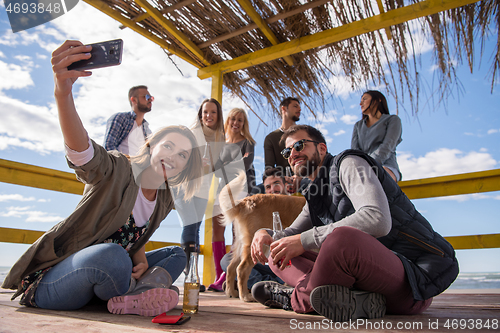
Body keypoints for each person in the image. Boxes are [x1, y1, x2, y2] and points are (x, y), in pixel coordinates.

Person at [1, 41, 202, 317]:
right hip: (59, 279)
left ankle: (133, 295)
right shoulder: (119, 167)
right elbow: (84, 153)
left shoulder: (165, 198)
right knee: (113, 255)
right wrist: (63, 92)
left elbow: (136, 235)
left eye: (182, 156)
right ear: (150, 144)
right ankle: (138, 291)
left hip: (111, 274)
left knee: (176, 254)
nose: (172, 157)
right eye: (168, 146)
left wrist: (140, 254)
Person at [250, 125, 459, 322]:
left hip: (411, 283)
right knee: (275, 249)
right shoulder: (315, 191)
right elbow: (291, 234)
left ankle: (294, 298)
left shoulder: (349, 163)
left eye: (299, 145)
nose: (292, 154)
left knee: (341, 237)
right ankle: (354, 300)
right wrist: (263, 232)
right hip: (364, 285)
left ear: (322, 148)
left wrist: (305, 240)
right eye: (287, 153)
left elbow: (377, 219)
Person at [176, 98, 225, 288]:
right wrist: (196, 162)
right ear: (200, 114)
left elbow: (216, 167)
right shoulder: (191, 134)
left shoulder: (220, 138)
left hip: (204, 188)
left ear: (218, 115)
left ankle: (193, 275)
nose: (209, 116)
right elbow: (180, 157)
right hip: (185, 185)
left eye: (213, 112)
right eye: (205, 112)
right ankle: (189, 274)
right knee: (189, 225)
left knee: (195, 228)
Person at [208, 108, 256, 291]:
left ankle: (232, 275)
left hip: (242, 191)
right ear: (228, 121)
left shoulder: (248, 143)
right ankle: (219, 276)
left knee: (238, 234)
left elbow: (245, 166)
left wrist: (224, 166)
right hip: (222, 192)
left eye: (240, 120)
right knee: (217, 230)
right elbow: (214, 169)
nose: (236, 123)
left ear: (244, 124)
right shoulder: (221, 144)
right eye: (233, 119)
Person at [220, 167, 288, 291]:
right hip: (261, 265)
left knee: (294, 271)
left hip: (284, 267)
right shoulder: (259, 209)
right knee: (226, 260)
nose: (272, 189)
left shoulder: (296, 206)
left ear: (285, 185)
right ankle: (269, 287)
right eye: (268, 187)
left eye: (276, 184)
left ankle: (257, 285)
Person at [351, 90, 403, 182]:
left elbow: (387, 146)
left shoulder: (393, 120)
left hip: (386, 167)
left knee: (375, 177)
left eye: (364, 99)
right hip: (362, 171)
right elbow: (355, 152)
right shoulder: (358, 125)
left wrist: (369, 166)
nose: (360, 103)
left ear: (377, 100)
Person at [104, 85, 154, 156]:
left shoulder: (147, 129)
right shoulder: (120, 118)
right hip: (121, 165)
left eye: (151, 98)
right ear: (134, 100)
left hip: (140, 166)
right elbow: (109, 148)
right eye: (146, 97)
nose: (150, 100)